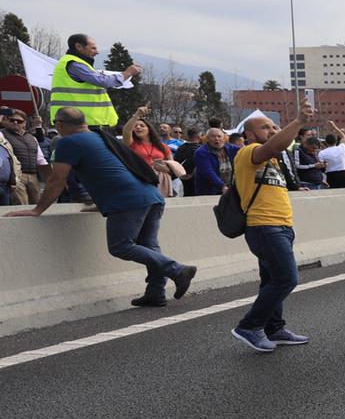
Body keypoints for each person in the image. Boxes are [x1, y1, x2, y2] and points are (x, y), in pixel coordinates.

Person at [6, 106, 198, 307]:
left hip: (128, 200)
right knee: (149, 245)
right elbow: (109, 171)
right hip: (151, 194)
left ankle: (177, 270)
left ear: (60, 125)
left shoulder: (68, 142)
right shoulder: (101, 136)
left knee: (121, 246)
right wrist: (101, 203)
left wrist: (37, 210)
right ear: (84, 123)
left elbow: (57, 180)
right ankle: (156, 292)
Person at [229, 103, 318, 352]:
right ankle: (249, 325)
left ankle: (274, 328)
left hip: (280, 225)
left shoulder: (274, 160)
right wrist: (298, 121)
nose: (271, 130)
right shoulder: (249, 151)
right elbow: (276, 145)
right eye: (264, 127)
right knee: (286, 278)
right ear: (249, 134)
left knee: (270, 279)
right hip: (264, 225)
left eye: (273, 126)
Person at [49, 34, 140, 127]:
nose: (97, 52)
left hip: (76, 121)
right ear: (78, 46)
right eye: (93, 48)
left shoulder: (72, 63)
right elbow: (102, 81)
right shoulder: (75, 64)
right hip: (80, 122)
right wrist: (127, 74)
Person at [121, 107, 187, 197]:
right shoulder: (131, 143)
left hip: (161, 182)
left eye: (142, 126)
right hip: (140, 181)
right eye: (135, 126)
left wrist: (166, 170)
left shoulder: (162, 146)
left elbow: (173, 165)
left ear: (149, 129)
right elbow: (126, 130)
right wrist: (137, 114)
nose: (138, 127)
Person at [1, 107, 46, 204]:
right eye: (12, 120)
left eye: (19, 121)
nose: (15, 123)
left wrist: (48, 175)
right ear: (6, 121)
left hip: (33, 175)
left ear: (24, 123)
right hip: (17, 176)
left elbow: (40, 159)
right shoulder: (2, 135)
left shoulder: (32, 138)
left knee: (37, 204)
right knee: (21, 204)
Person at [191, 127, 240, 195]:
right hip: (209, 192)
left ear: (224, 139)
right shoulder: (201, 152)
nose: (217, 139)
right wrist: (222, 186)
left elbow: (245, 151)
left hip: (229, 190)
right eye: (213, 136)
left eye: (219, 136)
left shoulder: (231, 149)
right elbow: (208, 172)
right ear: (207, 139)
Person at [172, 127, 202, 198]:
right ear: (199, 136)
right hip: (195, 179)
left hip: (182, 177)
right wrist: (191, 174)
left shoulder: (180, 148)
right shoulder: (200, 149)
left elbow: (176, 162)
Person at [319, 124, 345, 188]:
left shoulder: (322, 153)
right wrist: (335, 127)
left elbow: (321, 165)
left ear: (326, 142)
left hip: (330, 174)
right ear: (336, 141)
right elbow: (343, 137)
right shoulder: (341, 148)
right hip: (343, 173)